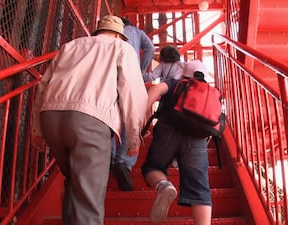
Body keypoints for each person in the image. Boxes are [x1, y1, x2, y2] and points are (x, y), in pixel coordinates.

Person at [32, 15, 147, 225]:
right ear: (119, 35)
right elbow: (133, 94)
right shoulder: (122, 48)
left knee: (74, 183)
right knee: (89, 201)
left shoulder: (70, 46)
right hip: (89, 121)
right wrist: (133, 138)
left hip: (51, 117)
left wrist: (37, 130)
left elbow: (43, 86)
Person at [142, 60, 212, 224]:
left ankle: (163, 185)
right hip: (196, 137)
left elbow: (156, 89)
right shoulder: (208, 91)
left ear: (184, 75)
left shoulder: (175, 83)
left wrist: (139, 116)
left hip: (167, 130)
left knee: (152, 167)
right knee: (199, 188)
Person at [111, 17, 155, 191]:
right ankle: (123, 161)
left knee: (109, 114)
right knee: (131, 116)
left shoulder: (113, 32)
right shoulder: (137, 32)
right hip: (131, 73)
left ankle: (108, 158)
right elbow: (150, 48)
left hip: (110, 73)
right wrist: (142, 69)